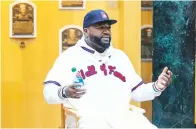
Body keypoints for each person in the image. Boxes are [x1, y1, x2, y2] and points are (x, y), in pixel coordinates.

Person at [43, 9, 173, 129]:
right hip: (89, 119)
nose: (106, 31)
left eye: (108, 28)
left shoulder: (120, 57)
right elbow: (48, 92)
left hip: (123, 117)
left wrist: (157, 86)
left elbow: (137, 92)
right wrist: (64, 92)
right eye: (100, 27)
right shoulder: (69, 57)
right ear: (86, 31)